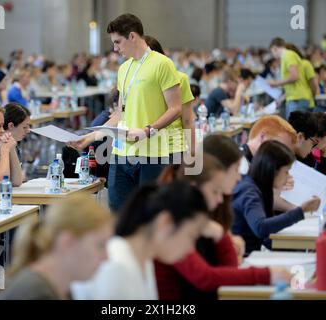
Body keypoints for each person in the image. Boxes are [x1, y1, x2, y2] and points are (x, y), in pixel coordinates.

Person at [68, 14, 182, 212]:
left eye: (117, 42)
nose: (115, 48)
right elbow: (120, 114)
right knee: (119, 213)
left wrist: (147, 130)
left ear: (132, 36)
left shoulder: (163, 64)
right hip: (121, 153)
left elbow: (176, 108)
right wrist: (91, 137)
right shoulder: (123, 69)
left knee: (150, 215)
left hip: (153, 154)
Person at [155, 150, 291, 300]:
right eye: (215, 191)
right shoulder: (173, 223)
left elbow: (229, 270)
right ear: (194, 188)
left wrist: (221, 235)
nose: (220, 199)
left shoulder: (201, 222)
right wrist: (267, 274)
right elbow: (204, 278)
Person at [71, 181, 209, 300]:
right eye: (191, 235)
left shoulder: (143, 258)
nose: (191, 248)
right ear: (165, 222)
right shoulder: (117, 266)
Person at [0, 194, 112, 300]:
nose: (106, 257)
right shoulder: (36, 293)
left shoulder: (60, 286)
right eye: (100, 245)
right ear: (68, 241)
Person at [233, 141, 321, 254]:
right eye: (286, 172)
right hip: (244, 258)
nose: (289, 177)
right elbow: (261, 228)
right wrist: (301, 211)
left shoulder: (260, 188)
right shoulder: (249, 191)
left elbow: (267, 238)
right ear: (272, 170)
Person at [268, 37, 312, 119]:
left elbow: (294, 76)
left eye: (272, 52)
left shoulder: (288, 55)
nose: (273, 56)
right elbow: (292, 84)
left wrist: (275, 83)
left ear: (274, 48)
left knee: (294, 129)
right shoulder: (288, 56)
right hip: (295, 98)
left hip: (297, 99)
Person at [2, 103, 31, 183]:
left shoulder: (13, 144)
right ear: (11, 126)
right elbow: (16, 181)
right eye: (25, 127)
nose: (28, 130)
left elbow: (19, 179)